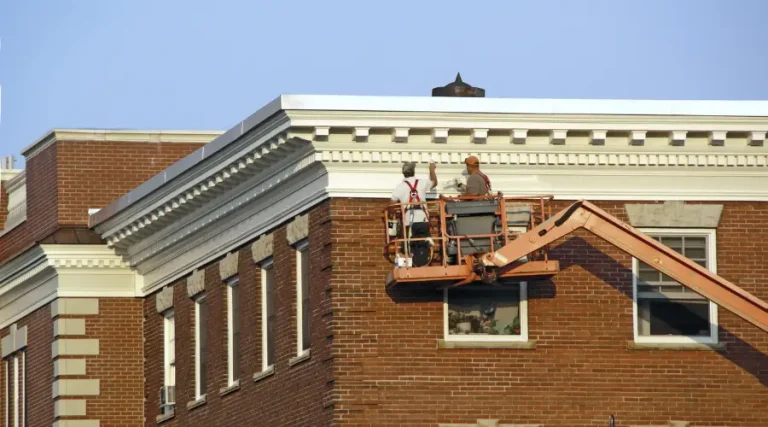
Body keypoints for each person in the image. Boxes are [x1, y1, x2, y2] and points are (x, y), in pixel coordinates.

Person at [390, 161, 438, 267]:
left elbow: (392, 205)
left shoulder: (400, 187)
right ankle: (422, 263)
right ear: (413, 171)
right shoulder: (422, 183)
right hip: (422, 221)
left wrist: (393, 215)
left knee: (408, 244)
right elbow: (434, 182)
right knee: (422, 244)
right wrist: (431, 169)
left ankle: (411, 264)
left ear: (403, 173)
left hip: (408, 223)